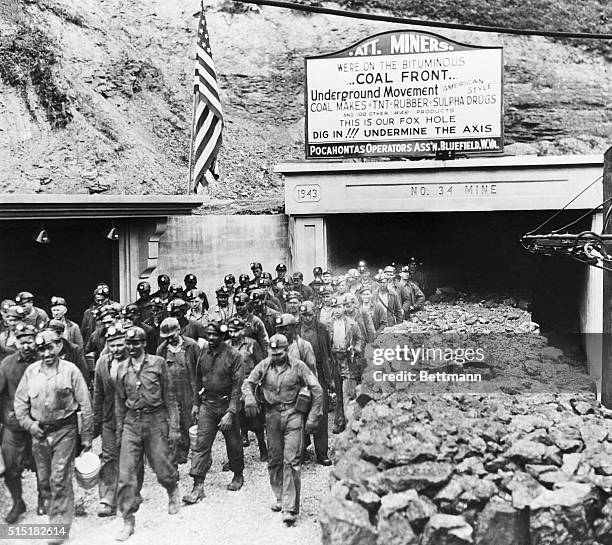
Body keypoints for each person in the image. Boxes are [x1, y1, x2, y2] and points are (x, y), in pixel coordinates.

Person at [14, 329, 93, 541]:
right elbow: (20, 403)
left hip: (64, 431)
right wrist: (30, 425)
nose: (47, 353)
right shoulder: (31, 372)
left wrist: (86, 436)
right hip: (39, 433)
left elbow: (85, 404)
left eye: (50, 347)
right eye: (42, 349)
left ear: (58, 346)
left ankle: (60, 526)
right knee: (44, 480)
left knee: (59, 477)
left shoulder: (71, 370)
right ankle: (54, 518)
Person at [243, 334, 323, 525]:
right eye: (273, 352)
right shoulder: (264, 365)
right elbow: (248, 382)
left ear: (287, 350)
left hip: (293, 415)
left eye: (279, 353)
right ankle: (279, 496)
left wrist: (313, 417)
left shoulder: (298, 366)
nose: (276, 356)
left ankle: (290, 508)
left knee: (292, 460)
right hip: (271, 417)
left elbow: (316, 389)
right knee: (275, 459)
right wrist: (249, 397)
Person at [114, 326, 181, 541]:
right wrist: (119, 431)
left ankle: (172, 490)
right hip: (132, 421)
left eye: (136, 343)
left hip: (155, 418)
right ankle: (128, 519)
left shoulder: (158, 364)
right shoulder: (121, 368)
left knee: (162, 467)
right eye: (129, 343)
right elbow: (119, 403)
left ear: (143, 344)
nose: (132, 347)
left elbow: (170, 398)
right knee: (126, 473)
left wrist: (174, 428)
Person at [183, 321, 245, 504]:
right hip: (208, 405)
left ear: (222, 336)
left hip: (227, 405)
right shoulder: (203, 352)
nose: (211, 338)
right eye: (208, 334)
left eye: (215, 335)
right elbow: (197, 379)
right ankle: (198, 485)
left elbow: (237, 387)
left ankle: (238, 474)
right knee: (201, 444)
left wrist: (231, 412)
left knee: (233, 443)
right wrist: (196, 404)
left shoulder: (234, 356)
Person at [0, 324, 43, 523]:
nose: (26, 346)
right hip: (14, 423)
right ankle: (18, 501)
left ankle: (44, 498)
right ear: (16, 342)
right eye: (22, 341)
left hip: (39, 423)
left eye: (30, 341)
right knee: (11, 466)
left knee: (42, 463)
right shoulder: (7, 364)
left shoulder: (45, 361)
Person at [93, 323, 132, 517]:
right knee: (108, 457)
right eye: (112, 345)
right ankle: (107, 498)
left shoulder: (136, 361)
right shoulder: (102, 364)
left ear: (126, 342)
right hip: (109, 418)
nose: (116, 349)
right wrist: (95, 421)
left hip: (132, 418)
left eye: (119, 344)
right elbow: (98, 394)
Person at [156, 317, 201, 465]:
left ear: (179, 331)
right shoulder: (162, 350)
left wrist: (198, 397)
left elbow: (200, 370)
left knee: (189, 421)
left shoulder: (191, 346)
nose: (169, 340)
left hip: (189, 389)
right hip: (170, 392)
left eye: (172, 336)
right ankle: (177, 453)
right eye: (166, 338)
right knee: (173, 423)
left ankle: (190, 451)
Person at [226, 317, 267, 459]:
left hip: (250, 383)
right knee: (236, 416)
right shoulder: (225, 345)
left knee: (255, 417)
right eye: (230, 331)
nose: (233, 334)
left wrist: (259, 384)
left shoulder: (252, 344)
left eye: (236, 331)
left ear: (242, 330)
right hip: (233, 385)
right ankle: (238, 452)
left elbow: (261, 364)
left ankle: (263, 447)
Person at [298, 302, 332, 465]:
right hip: (300, 376)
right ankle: (303, 449)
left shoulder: (322, 329)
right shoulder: (295, 330)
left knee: (321, 412)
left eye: (310, 315)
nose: (307, 318)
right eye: (304, 315)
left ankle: (322, 452)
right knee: (300, 410)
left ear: (315, 313)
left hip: (318, 374)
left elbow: (328, 353)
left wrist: (329, 376)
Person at [326, 297, 363, 434]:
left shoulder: (352, 324)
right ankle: (339, 421)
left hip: (347, 360)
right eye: (334, 307)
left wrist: (355, 348)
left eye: (340, 307)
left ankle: (349, 424)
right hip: (334, 359)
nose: (337, 310)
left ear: (344, 308)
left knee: (348, 393)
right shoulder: (328, 324)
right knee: (338, 394)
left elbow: (359, 340)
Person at [47, 320, 91, 391]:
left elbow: (83, 370)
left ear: (60, 334)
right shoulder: (45, 350)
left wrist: (85, 388)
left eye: (52, 333)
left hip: (70, 387)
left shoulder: (74, 349)